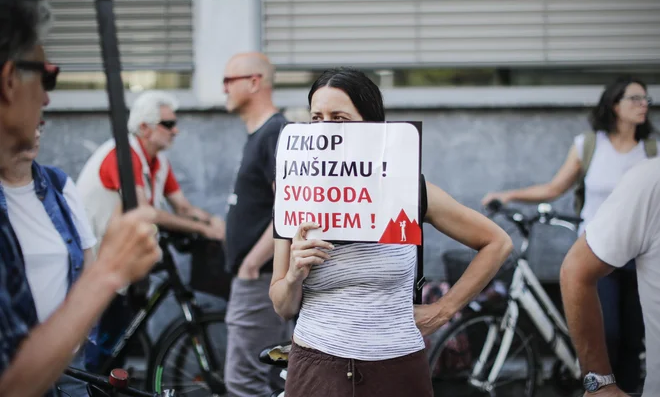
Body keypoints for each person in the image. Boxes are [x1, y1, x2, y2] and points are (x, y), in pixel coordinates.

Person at [269, 67, 513, 396]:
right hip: (316, 369)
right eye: (317, 118)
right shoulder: (295, 194)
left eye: (339, 118)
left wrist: (443, 310)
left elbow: (496, 242)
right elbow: (282, 306)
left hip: (397, 369)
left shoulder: (410, 189)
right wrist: (294, 275)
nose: (326, 129)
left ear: (372, 126)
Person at [0, 0, 160, 397]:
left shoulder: (54, 184)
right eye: (47, 76)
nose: (48, 99)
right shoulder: (116, 156)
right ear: (8, 80)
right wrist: (111, 269)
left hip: (65, 370)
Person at [482, 76, 655, 392]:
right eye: (635, 98)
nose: (643, 105)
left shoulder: (651, 150)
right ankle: (599, 387)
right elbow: (554, 188)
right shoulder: (589, 145)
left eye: (646, 99)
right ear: (614, 104)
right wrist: (509, 195)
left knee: (634, 337)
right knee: (609, 333)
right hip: (597, 251)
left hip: (639, 256)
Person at [0, 121, 96, 396]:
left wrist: (79, 327)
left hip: (67, 353)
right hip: (13, 359)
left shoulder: (58, 184)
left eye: (39, 124)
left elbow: (88, 259)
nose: (35, 132)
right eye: (24, 123)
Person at [77, 89, 226, 254]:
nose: (175, 131)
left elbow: (183, 208)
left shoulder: (159, 160)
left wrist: (212, 221)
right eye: (168, 124)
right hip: (94, 253)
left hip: (121, 248)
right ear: (144, 128)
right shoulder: (123, 154)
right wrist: (201, 228)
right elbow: (143, 211)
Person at [560, 157, 660, 396]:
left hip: (631, 256)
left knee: (632, 340)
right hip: (609, 246)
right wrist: (599, 385)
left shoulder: (647, 147)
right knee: (612, 333)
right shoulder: (650, 178)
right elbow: (575, 270)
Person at [222, 52, 290, 397]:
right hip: (258, 277)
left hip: (259, 278)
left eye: (228, 81)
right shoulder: (262, 133)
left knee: (244, 381)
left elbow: (289, 207)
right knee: (265, 379)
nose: (223, 90)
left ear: (254, 82)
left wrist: (252, 262)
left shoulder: (274, 132)